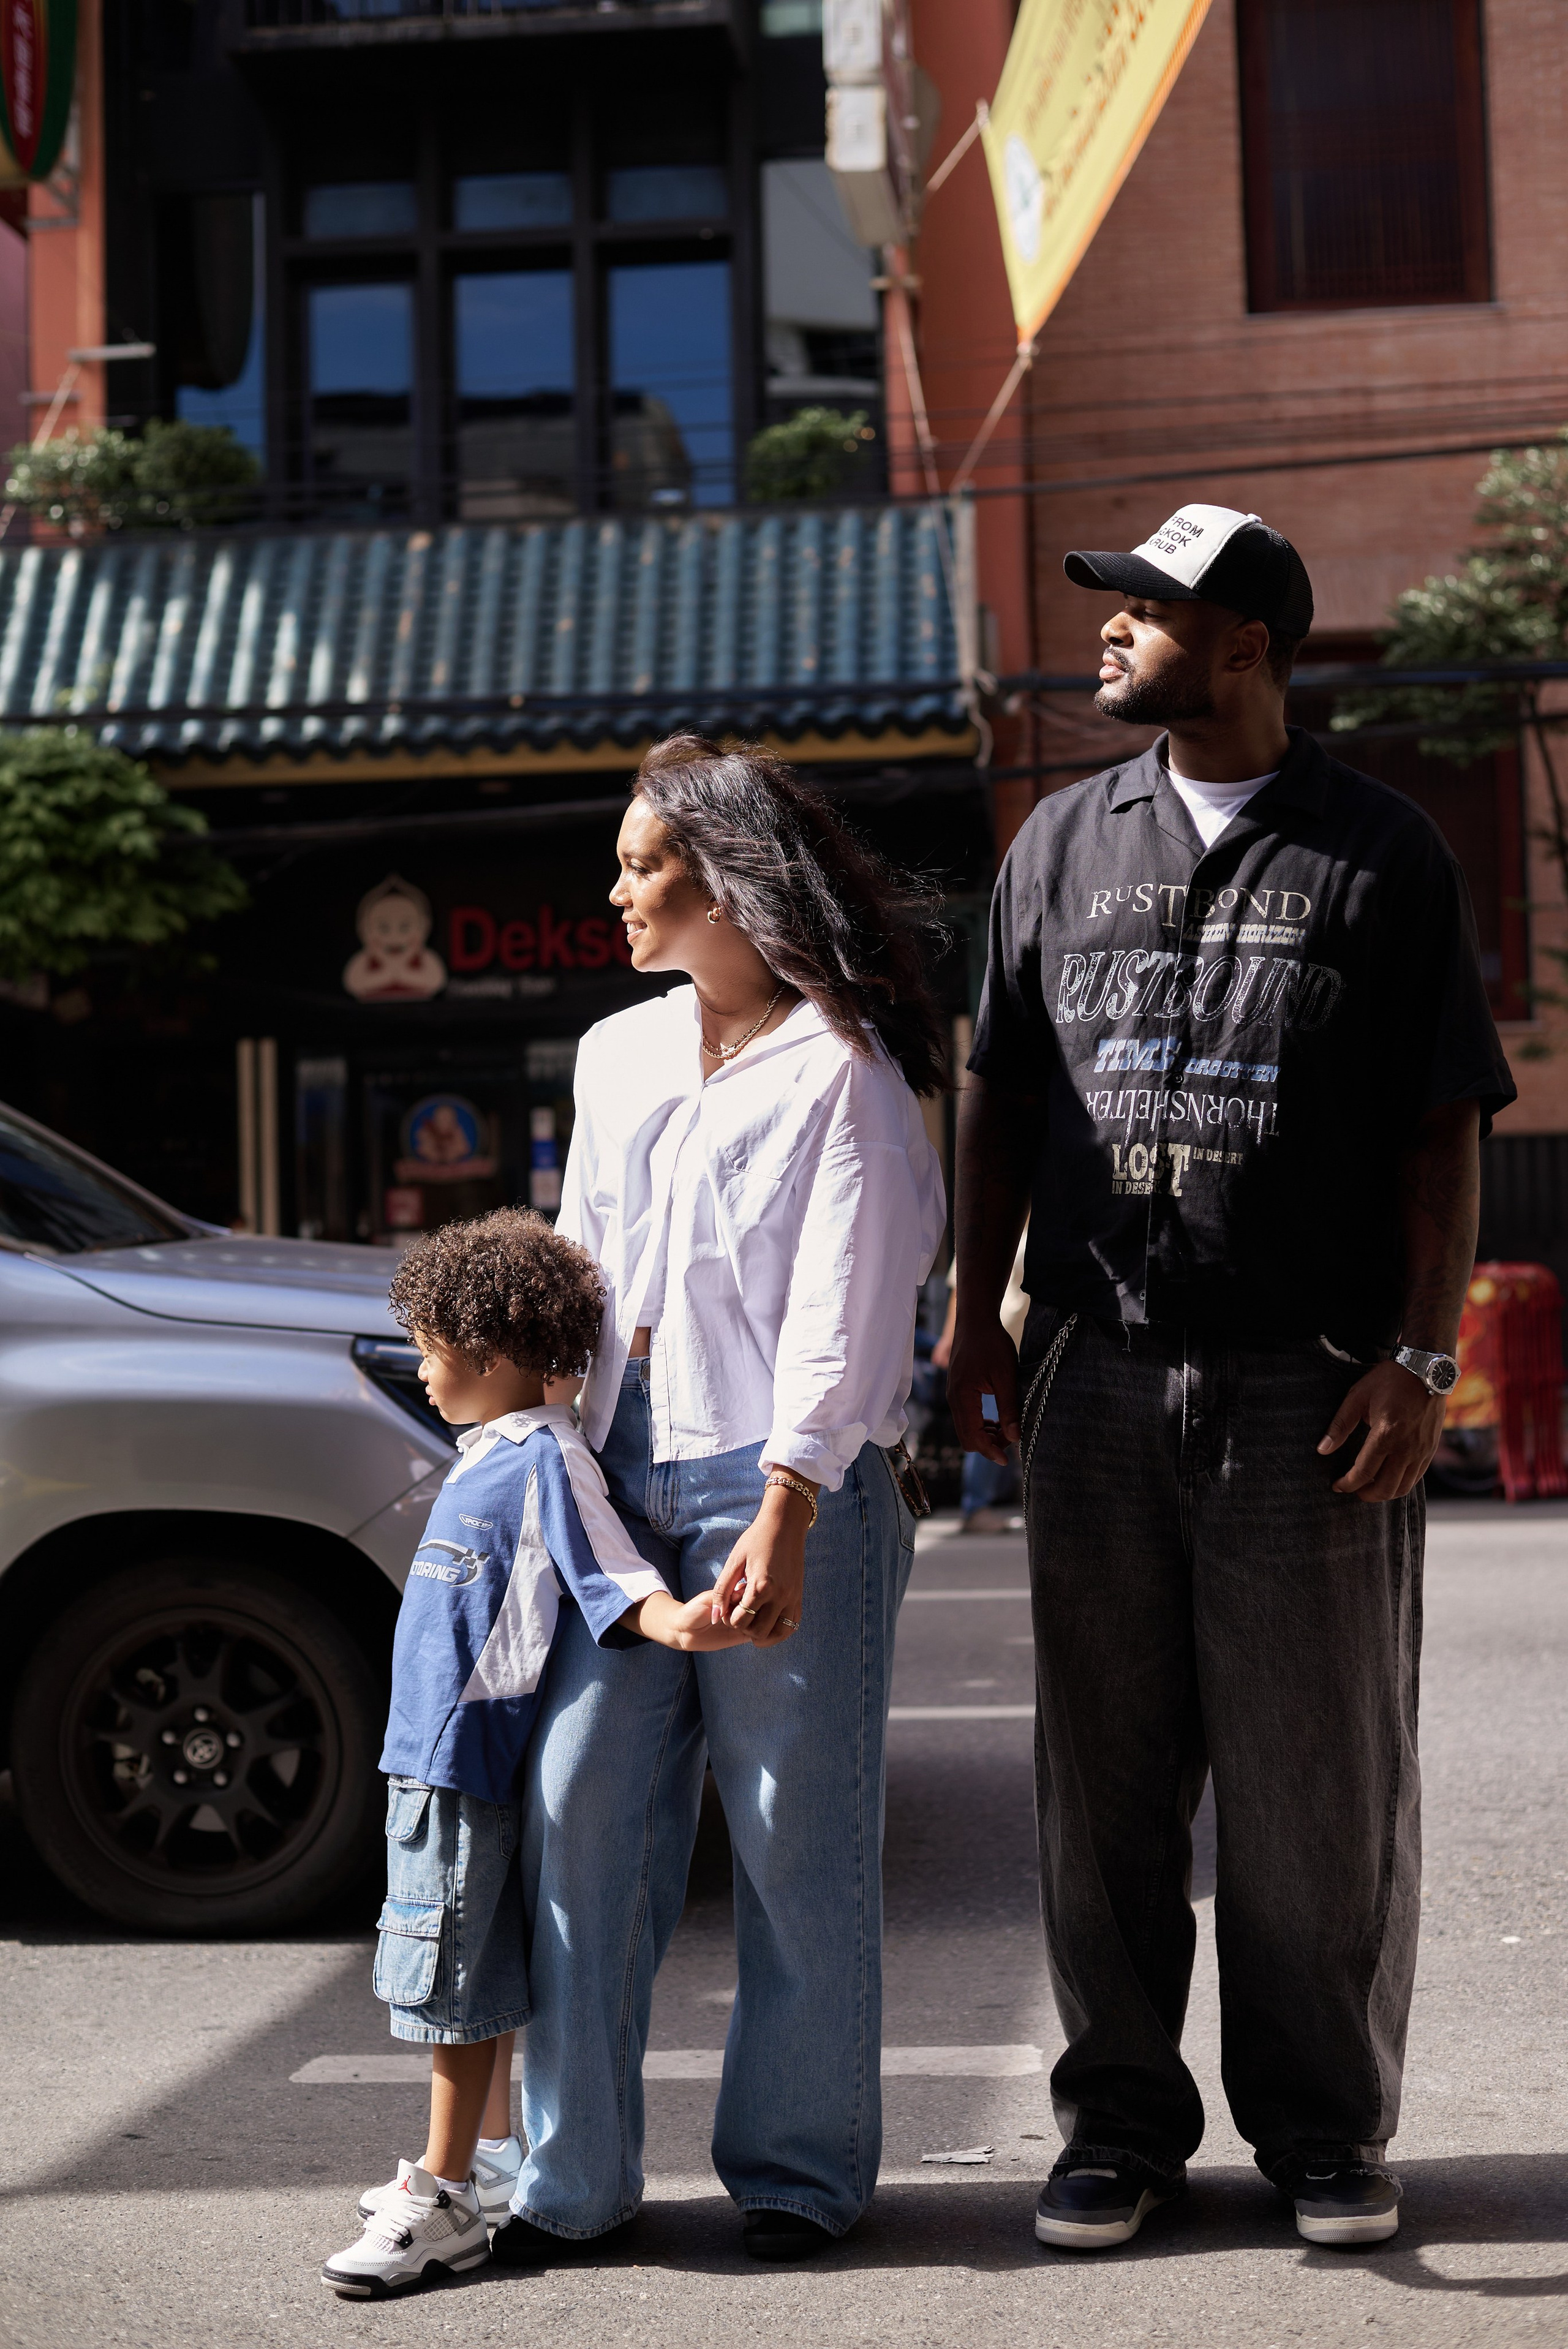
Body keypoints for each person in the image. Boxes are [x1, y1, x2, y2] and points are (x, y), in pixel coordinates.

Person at [948, 505, 1515, 2255]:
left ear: (1248, 643)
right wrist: (972, 1321)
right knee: (1102, 1786)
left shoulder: (1382, 853)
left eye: (1147, 607)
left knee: (1313, 1782)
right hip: (1097, 1372)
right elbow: (999, 1100)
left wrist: (1421, 1354)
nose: (1109, 628)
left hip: (1308, 1386)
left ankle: (1323, 2128)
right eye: (1111, 604)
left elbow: (1442, 1130)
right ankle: (1117, 2128)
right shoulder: (1058, 843)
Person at [489, 734, 947, 2268]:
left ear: (730, 882)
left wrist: (789, 1503)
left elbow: (847, 1306)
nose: (615, 892)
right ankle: (569, 2183)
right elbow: (581, 1258)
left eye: (642, 867)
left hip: (785, 1483)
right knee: (580, 1813)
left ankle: (798, 2174)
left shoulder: (843, 1072)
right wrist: (539, 1453)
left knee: (789, 1840)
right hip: (618, 1478)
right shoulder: (615, 1052)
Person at [321, 1208, 746, 2300]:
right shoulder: (489, 1455)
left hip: (462, 1770)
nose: (421, 1372)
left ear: (491, 1350)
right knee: (465, 1974)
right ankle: (489, 2164)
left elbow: (610, 1571)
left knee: (451, 1993)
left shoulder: (548, 1457)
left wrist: (683, 1622)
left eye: (431, 1351)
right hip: (432, 1765)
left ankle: (442, 2194)